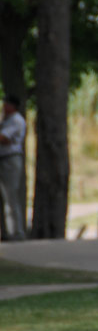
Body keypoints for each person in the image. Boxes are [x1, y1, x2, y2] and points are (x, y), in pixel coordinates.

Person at [0, 94, 27, 241]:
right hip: (3, 159)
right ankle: (6, 231)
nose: (4, 106)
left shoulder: (16, 120)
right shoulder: (5, 120)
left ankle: (16, 232)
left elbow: (4, 138)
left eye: (6, 103)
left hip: (10, 160)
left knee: (10, 197)